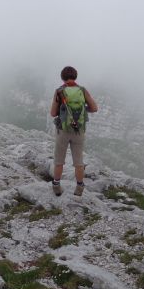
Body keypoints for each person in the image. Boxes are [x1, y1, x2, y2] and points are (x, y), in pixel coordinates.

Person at [50, 66, 98, 196]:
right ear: (75, 76)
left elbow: (53, 113)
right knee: (78, 161)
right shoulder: (82, 90)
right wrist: (82, 109)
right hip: (79, 131)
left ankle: (56, 186)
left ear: (62, 77)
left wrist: (64, 111)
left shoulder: (59, 91)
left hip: (63, 131)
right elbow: (94, 108)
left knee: (59, 160)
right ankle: (79, 187)